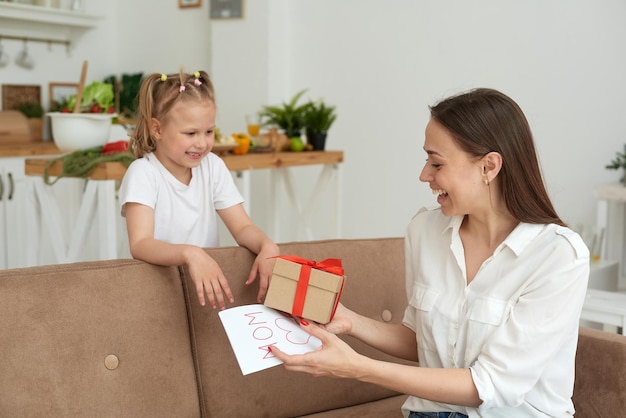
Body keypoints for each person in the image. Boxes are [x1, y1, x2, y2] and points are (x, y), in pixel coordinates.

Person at [270, 88, 590, 417]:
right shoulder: (424, 231)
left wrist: (358, 367)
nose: (424, 175)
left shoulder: (558, 257)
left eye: (436, 162)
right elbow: (421, 341)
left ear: (489, 167)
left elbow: (491, 385)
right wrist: (350, 321)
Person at [119, 69, 279, 309]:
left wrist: (268, 246)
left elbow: (243, 227)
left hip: (199, 292)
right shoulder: (143, 173)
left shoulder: (213, 167)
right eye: (191, 133)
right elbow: (140, 244)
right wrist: (191, 254)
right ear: (157, 129)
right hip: (153, 292)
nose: (202, 143)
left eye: (209, 132)